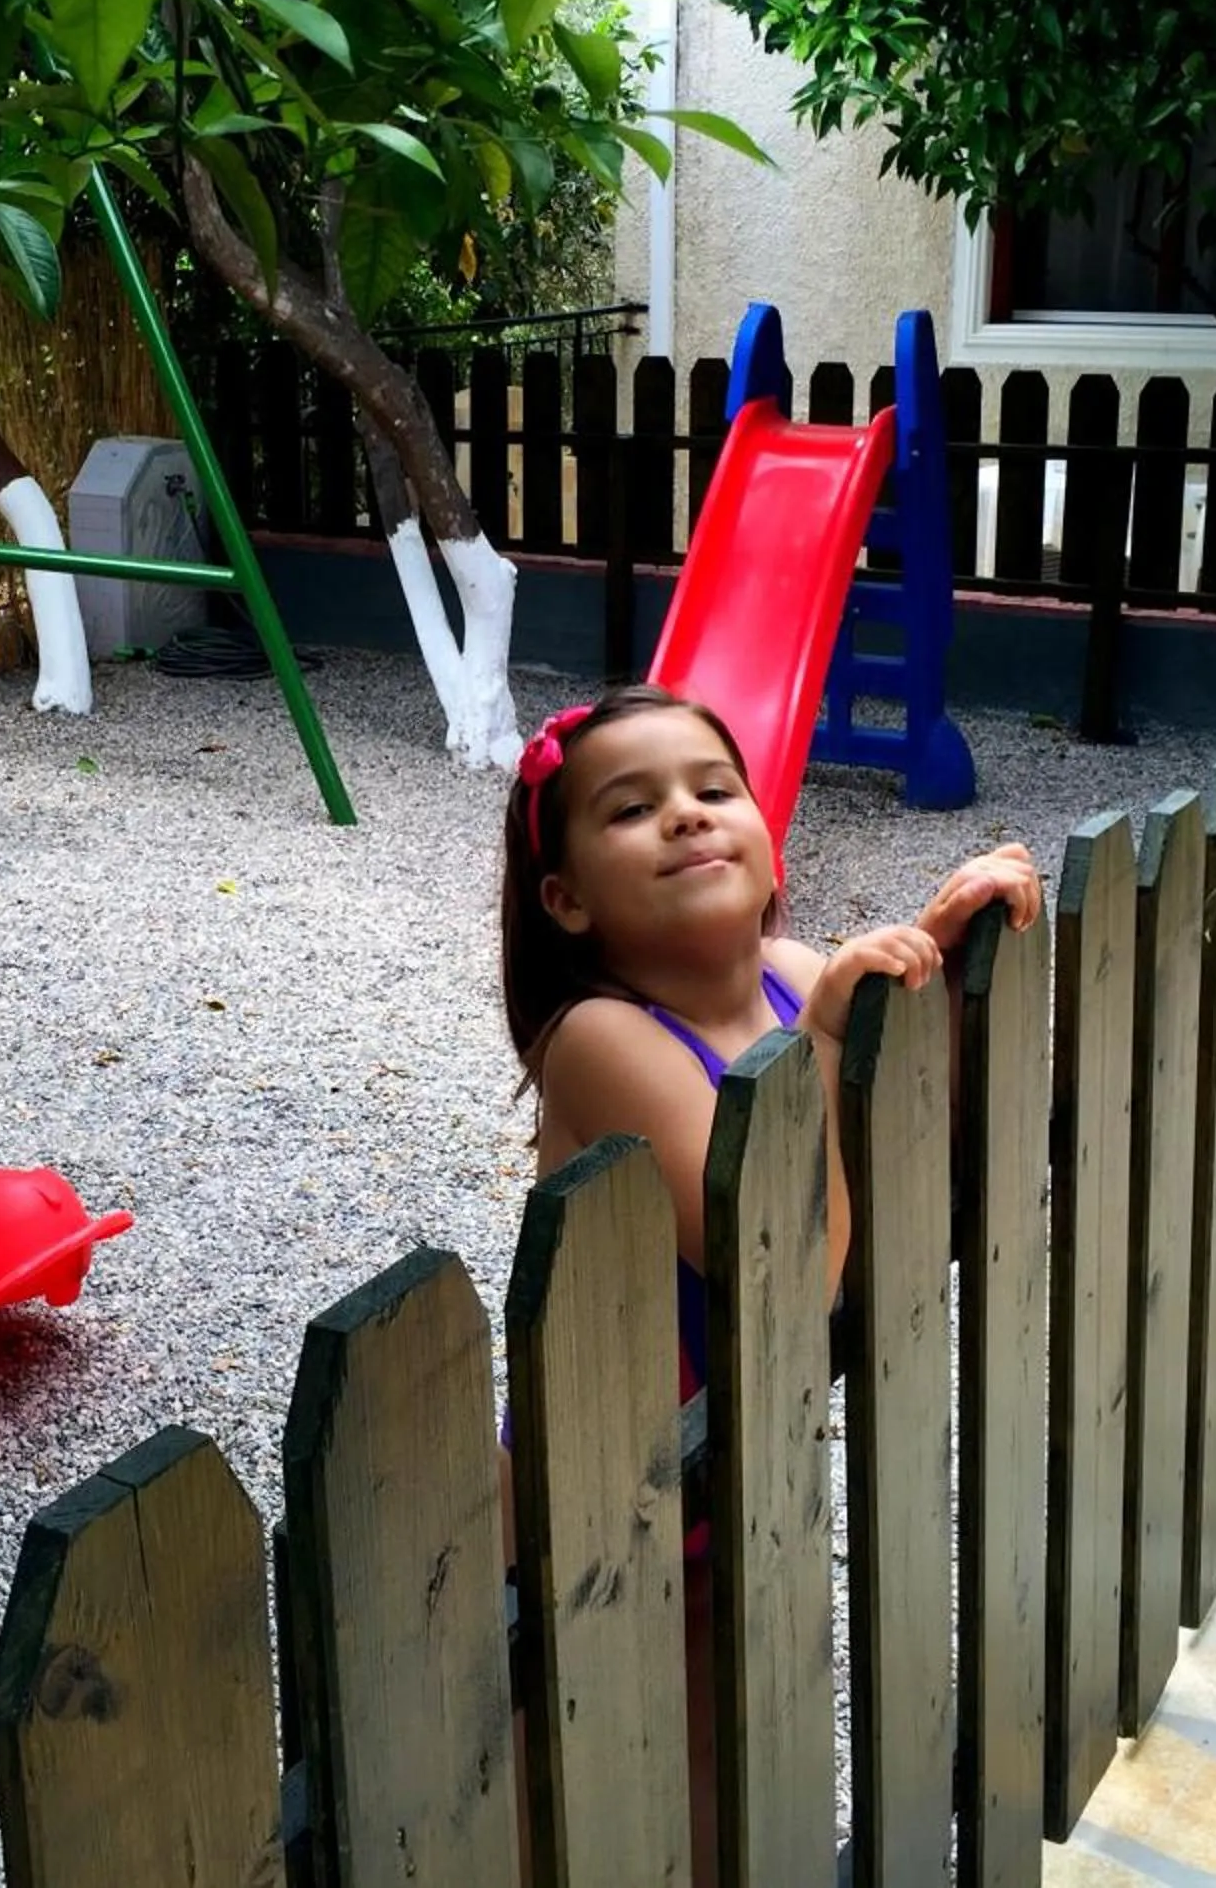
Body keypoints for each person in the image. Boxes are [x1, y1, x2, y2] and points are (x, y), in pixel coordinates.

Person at [498, 684, 1040, 1881]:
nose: (687, 818)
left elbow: (904, 1165)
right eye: (633, 809)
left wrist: (944, 967)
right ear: (567, 899)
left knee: (709, 1737)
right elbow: (792, 1275)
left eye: (713, 789)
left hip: (719, 1451)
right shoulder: (601, 1039)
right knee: (573, 1753)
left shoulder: (795, 971)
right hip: (594, 1481)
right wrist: (837, 1045)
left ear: (766, 831)